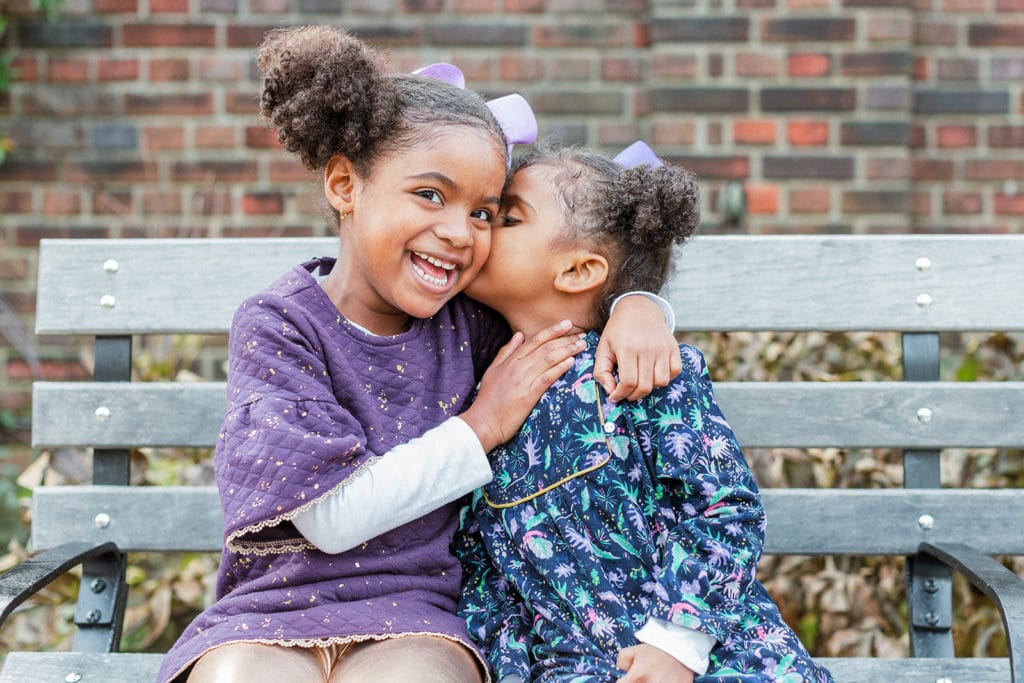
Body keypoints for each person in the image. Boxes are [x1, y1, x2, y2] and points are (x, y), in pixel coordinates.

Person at [157, 26, 682, 683]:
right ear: (345, 184)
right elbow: (327, 519)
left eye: (486, 212)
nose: (459, 232)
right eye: (431, 194)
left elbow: (570, 300)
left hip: (415, 615)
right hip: (266, 614)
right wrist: (483, 423)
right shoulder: (281, 325)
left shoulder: (470, 324)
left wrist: (639, 307)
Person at [456, 141, 836, 683]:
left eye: (506, 218)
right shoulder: (475, 381)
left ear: (578, 270)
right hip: (573, 666)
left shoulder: (642, 370)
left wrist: (678, 643)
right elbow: (484, 567)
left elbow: (725, 510)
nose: (479, 228)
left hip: (710, 656)